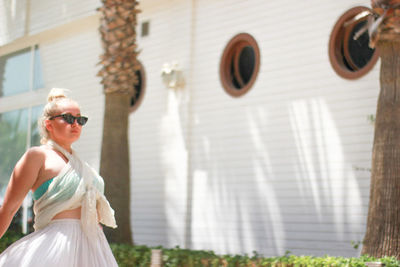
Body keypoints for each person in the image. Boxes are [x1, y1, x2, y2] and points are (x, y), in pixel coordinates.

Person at [0, 88, 118, 267]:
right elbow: (9, 209)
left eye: (80, 119)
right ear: (49, 124)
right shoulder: (37, 156)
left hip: (93, 249)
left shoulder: (83, 166)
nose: (75, 124)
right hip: (54, 249)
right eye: (68, 118)